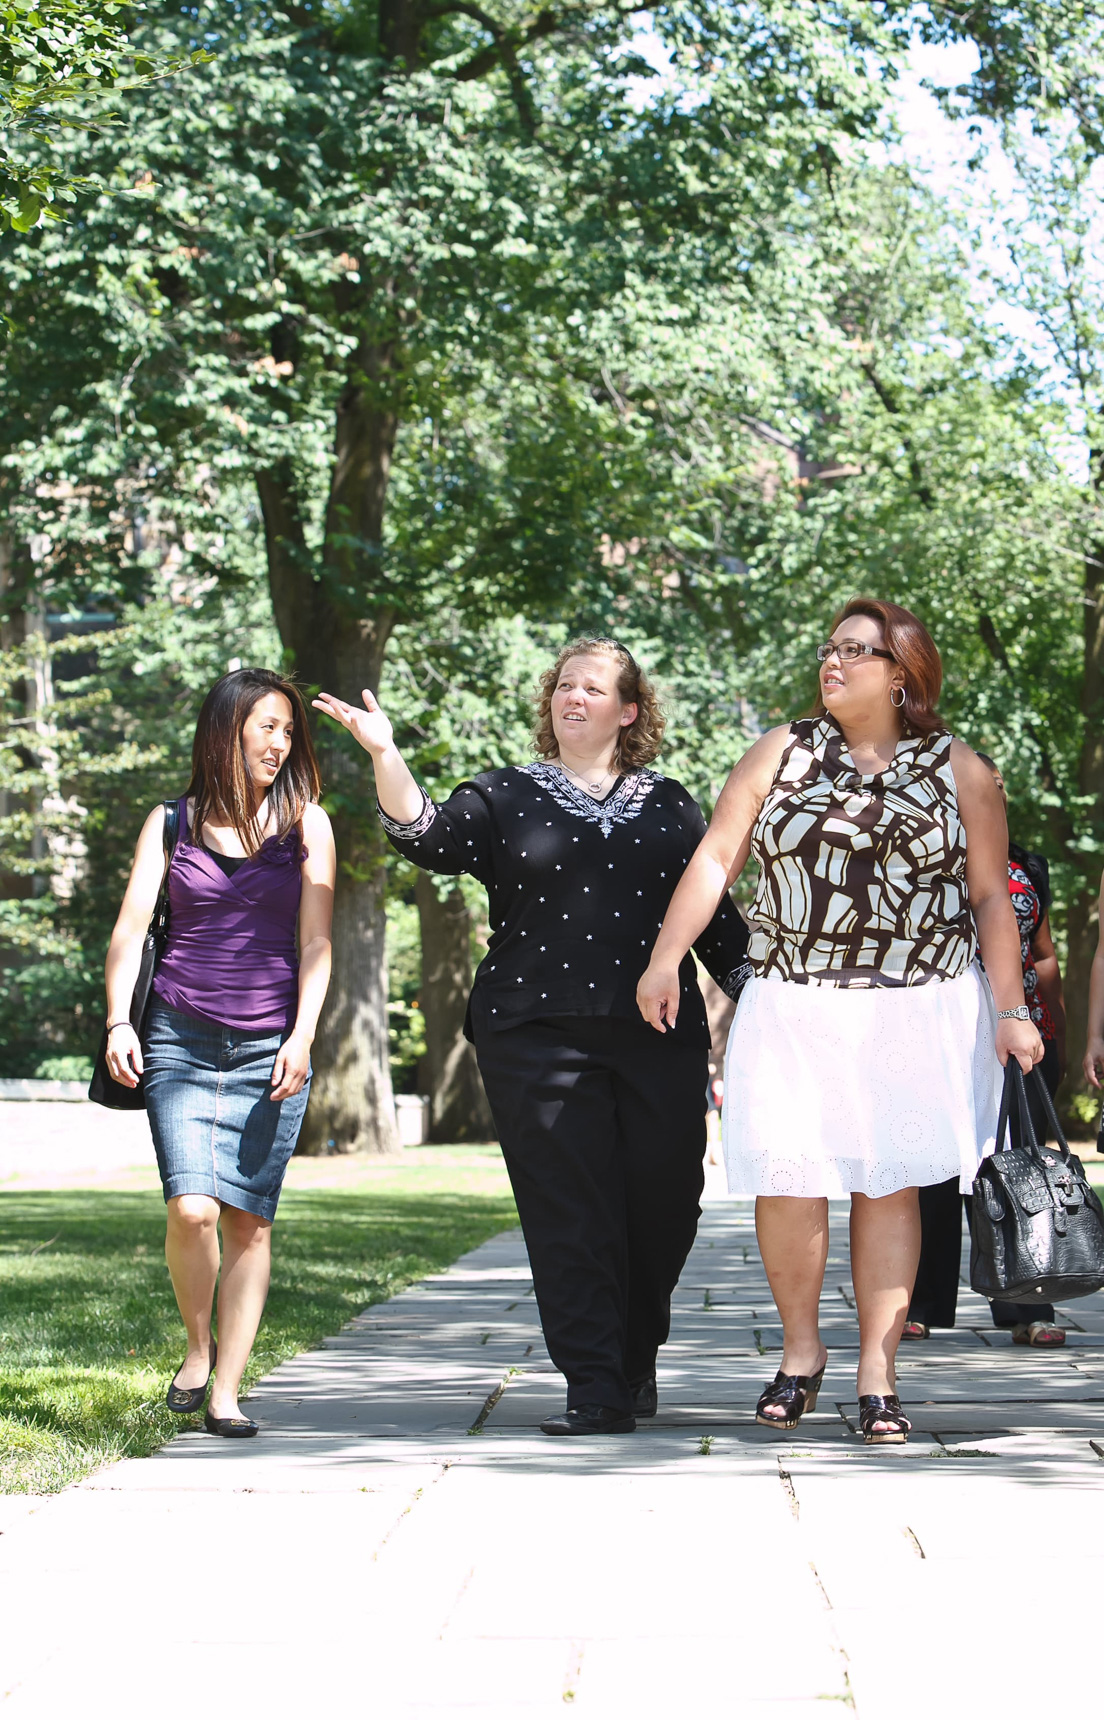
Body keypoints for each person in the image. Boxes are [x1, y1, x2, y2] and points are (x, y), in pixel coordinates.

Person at [313, 638, 749, 1436]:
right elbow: (429, 836)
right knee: (570, 1209)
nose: (571, 698)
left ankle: (632, 1353)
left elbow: (716, 921)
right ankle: (595, 1383)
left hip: (659, 1032)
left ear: (628, 710)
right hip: (534, 1033)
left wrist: (777, 1001)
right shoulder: (505, 795)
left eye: (592, 688)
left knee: (667, 1204)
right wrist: (385, 755)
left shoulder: (671, 803)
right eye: (562, 686)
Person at [638, 599, 1041, 1444]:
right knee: (787, 1179)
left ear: (902, 674)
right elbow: (717, 855)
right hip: (794, 999)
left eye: (855, 651)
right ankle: (799, 1352)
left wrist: (1011, 1010)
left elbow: (989, 899)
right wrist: (665, 957)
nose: (833, 662)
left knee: (887, 1183)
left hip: (915, 1004)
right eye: (829, 648)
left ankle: (878, 1371)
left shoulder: (957, 767)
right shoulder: (781, 751)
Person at [103, 669, 335, 1437]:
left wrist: (302, 1036)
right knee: (193, 1208)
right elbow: (131, 930)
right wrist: (117, 1023)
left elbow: (316, 941)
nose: (280, 742)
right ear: (227, 729)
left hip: (272, 1045)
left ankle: (228, 1389)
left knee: (249, 1223)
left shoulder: (309, 826)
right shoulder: (171, 823)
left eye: (289, 731)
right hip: (180, 1035)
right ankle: (198, 1349)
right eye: (267, 726)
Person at [905, 753, 1068, 1346]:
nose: (989, 789)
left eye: (997, 782)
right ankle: (919, 1303)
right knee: (935, 1166)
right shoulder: (930, 855)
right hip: (942, 1029)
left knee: (1021, 1167)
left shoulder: (1031, 867)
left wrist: (1060, 1026)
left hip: (1018, 1028)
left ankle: (1029, 1305)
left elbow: (1043, 953)